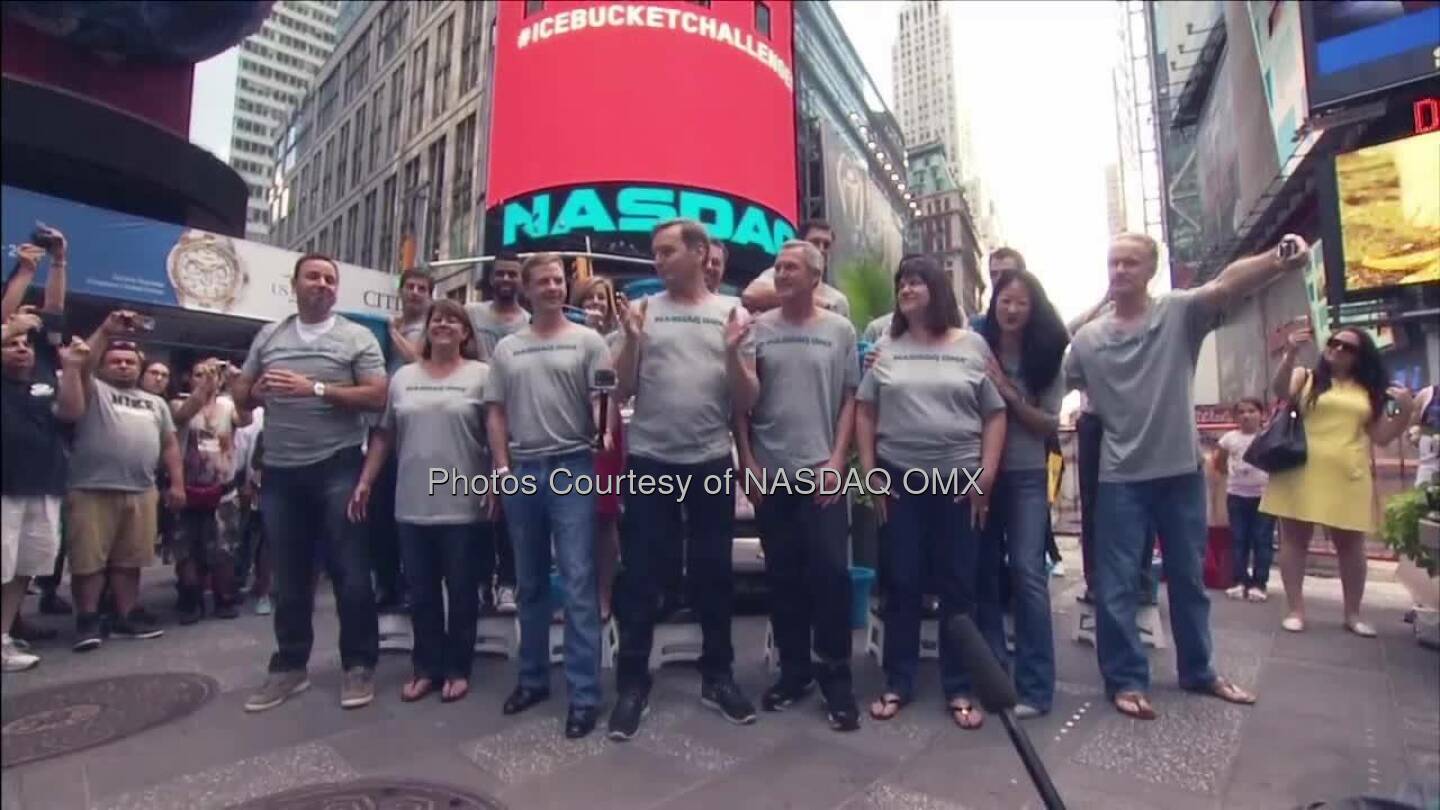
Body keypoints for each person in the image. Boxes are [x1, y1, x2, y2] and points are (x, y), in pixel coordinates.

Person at [1065, 232, 1311, 720]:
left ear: (1151, 270)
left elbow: (1224, 288)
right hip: (1120, 479)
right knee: (1116, 585)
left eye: (1130, 263)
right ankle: (1126, 679)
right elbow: (1054, 375)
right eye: (1113, 263)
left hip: (1179, 473)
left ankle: (1199, 671)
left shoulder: (1177, 313)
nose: (1119, 272)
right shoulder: (1088, 340)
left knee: (1188, 580)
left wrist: (1278, 260)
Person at [610, 218, 759, 740]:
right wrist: (630, 341)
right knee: (644, 573)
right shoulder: (643, 312)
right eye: (655, 253)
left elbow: (747, 401)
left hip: (711, 463)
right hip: (650, 461)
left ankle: (717, 676)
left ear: (699, 253)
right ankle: (632, 683)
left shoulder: (732, 314)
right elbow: (622, 390)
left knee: (713, 573)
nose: (657, 261)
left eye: (667, 251)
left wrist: (734, 351)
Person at [233, 253, 388, 713]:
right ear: (295, 284)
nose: (322, 284)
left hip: (338, 466)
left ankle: (359, 664)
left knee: (350, 572)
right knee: (290, 575)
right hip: (281, 471)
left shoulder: (356, 337)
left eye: (329, 279)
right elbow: (239, 394)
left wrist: (315, 389)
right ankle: (289, 667)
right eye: (313, 277)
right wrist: (253, 391)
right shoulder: (270, 336)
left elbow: (378, 395)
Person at [856, 255, 1006, 730]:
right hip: (900, 478)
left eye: (917, 282)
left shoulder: (972, 345)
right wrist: (871, 471)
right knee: (902, 581)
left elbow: (994, 414)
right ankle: (898, 681)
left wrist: (986, 474)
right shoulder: (886, 347)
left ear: (936, 290)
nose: (906, 288)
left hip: (960, 481)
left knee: (959, 586)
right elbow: (864, 409)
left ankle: (959, 685)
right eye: (902, 281)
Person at [736, 239, 862, 731]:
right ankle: (794, 673)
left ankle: (836, 678)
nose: (782, 274)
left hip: (822, 473)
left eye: (792, 268)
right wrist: (746, 459)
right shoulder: (756, 331)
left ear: (815, 278)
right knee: (783, 576)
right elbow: (740, 403)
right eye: (778, 267)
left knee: (831, 573)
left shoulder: (839, 331)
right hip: (770, 473)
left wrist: (837, 460)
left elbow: (851, 399)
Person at [486, 254, 612, 739]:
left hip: (573, 466)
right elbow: (494, 411)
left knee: (579, 582)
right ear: (527, 289)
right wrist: (500, 468)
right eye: (544, 281)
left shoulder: (588, 341)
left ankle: (584, 694)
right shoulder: (507, 349)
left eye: (560, 280)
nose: (554, 288)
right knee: (531, 582)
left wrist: (601, 436)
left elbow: (604, 400)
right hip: (522, 469)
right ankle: (533, 678)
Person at [349, 298, 492, 705]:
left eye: (453, 320)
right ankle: (426, 666)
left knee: (463, 592)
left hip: (464, 502)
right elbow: (384, 435)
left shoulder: (483, 375)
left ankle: (459, 668)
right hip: (411, 503)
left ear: (466, 333)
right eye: (437, 319)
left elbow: (497, 431)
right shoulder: (403, 378)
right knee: (422, 594)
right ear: (427, 328)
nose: (443, 324)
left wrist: (500, 481)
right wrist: (366, 481)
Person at [1262, 327, 1415, 636]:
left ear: (1360, 356)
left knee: (1351, 545)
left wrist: (1405, 412)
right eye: (1333, 343)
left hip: (1349, 472)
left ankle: (1353, 613)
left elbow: (1382, 436)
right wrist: (1290, 353)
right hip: (1300, 467)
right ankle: (1296, 609)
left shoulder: (1368, 389)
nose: (1337, 349)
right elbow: (1280, 390)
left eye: (1347, 347)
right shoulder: (1307, 377)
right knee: (1295, 539)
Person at [975, 267, 1068, 718]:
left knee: (1029, 575)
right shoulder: (976, 343)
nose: (1010, 309)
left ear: (1034, 310)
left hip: (1028, 474)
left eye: (1020, 303)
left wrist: (1009, 393)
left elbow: (1050, 424)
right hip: (979, 475)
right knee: (985, 573)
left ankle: (1036, 687)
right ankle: (995, 679)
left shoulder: (1049, 355)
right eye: (1004, 301)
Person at [67, 312, 185, 650]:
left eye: (129, 362)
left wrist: (176, 483)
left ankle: (124, 616)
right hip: (91, 488)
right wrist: (105, 330)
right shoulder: (93, 387)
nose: (123, 366)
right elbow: (82, 362)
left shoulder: (155, 402)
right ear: (104, 365)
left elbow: (170, 444)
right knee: (89, 562)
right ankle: (87, 622)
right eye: (116, 361)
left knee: (129, 562)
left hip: (142, 491)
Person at [2, 233, 83, 672]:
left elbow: (54, 313)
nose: (21, 346)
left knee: (23, 568)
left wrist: (59, 260)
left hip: (44, 485)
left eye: (26, 342)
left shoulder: (50, 365)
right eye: (12, 340)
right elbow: (9, 320)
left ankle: (2, 638)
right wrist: (25, 273)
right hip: (4, 488)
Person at [368, 269, 435, 614]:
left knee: (414, 508)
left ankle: (413, 583)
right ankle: (386, 582)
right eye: (410, 286)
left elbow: (418, 360)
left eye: (422, 288)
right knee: (382, 508)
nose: (415, 293)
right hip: (383, 425)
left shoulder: (429, 327)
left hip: (418, 425)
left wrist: (393, 332)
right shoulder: (382, 327)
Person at [466, 253, 528, 614]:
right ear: (491, 278)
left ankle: (507, 582)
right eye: (500, 273)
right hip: (472, 418)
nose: (506, 279)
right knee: (476, 504)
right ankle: (479, 581)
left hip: (513, 420)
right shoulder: (472, 315)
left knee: (507, 504)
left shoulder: (529, 322)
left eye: (513, 274)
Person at [169, 357, 251, 623]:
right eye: (198, 373)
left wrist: (238, 386)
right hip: (188, 487)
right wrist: (204, 387)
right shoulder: (178, 403)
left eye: (211, 374)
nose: (206, 377)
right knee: (186, 548)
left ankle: (223, 598)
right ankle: (190, 599)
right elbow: (183, 416)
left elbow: (246, 419)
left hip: (222, 489)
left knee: (224, 548)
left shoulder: (227, 406)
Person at [572, 275, 623, 621]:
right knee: (572, 517)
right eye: (589, 299)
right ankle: (575, 593)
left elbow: (619, 383)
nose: (596, 305)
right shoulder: (566, 334)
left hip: (607, 429)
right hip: (568, 429)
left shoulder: (620, 337)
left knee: (605, 517)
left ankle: (605, 594)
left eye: (601, 299)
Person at [1212, 398, 1274, 602]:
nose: (1246, 416)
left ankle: (1259, 583)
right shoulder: (1229, 438)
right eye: (1242, 412)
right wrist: (1232, 477)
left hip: (1264, 496)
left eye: (1252, 411)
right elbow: (1219, 462)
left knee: (1262, 539)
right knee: (1239, 539)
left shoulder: (1268, 437)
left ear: (1262, 414)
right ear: (1235, 417)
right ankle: (1238, 581)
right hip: (1237, 495)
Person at [741, 219, 850, 317]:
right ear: (799, 244)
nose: (821, 249)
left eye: (826, 245)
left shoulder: (838, 300)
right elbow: (751, 295)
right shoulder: (779, 274)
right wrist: (818, 304)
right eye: (815, 242)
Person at [968, 247, 1028, 330]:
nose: (999, 279)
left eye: (1006, 273)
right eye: (994, 274)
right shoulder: (978, 327)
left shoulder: (1041, 323)